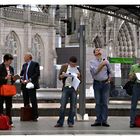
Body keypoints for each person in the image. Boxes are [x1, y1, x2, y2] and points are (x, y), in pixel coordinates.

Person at [54, 56, 81, 127]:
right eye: (72, 64)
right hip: (66, 88)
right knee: (62, 105)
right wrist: (62, 76)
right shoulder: (64, 67)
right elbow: (59, 77)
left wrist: (78, 76)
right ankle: (60, 122)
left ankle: (70, 122)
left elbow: (80, 80)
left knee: (73, 107)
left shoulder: (77, 69)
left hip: (74, 89)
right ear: (69, 62)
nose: (73, 66)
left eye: (74, 64)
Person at [90, 48, 112, 127]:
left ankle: (104, 120)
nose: (98, 51)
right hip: (97, 83)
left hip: (105, 84)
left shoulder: (106, 61)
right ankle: (98, 120)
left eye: (99, 50)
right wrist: (102, 64)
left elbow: (110, 71)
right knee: (98, 102)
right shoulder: (92, 62)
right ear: (94, 53)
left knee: (105, 103)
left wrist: (109, 79)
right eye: (97, 50)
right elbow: (95, 72)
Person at [20, 53, 40, 121]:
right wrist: (21, 79)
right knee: (26, 100)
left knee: (33, 100)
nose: (24, 57)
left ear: (29, 57)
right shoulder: (24, 65)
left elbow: (37, 74)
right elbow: (22, 74)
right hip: (24, 85)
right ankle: (26, 116)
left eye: (25, 56)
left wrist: (29, 80)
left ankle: (35, 116)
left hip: (31, 85)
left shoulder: (35, 64)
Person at [0, 53, 16, 126]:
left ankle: (9, 121)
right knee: (0, 105)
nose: (11, 62)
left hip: (9, 89)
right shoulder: (0, 67)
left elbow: (12, 80)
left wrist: (14, 79)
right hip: (2, 89)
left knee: (9, 106)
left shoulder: (11, 68)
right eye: (10, 60)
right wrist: (5, 78)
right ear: (5, 60)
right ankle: (1, 121)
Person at [129, 59, 140, 128]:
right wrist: (134, 76)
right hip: (137, 86)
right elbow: (130, 78)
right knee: (133, 105)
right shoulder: (134, 67)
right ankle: (132, 122)